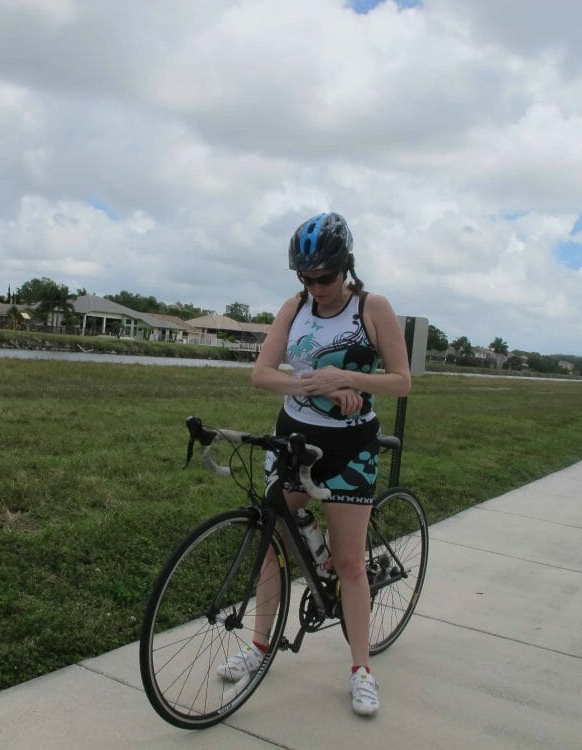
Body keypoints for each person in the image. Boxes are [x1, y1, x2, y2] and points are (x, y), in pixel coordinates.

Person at [216, 212, 411, 716]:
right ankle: (259, 648)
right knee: (273, 548)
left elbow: (401, 380)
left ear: (346, 268)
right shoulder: (295, 306)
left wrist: (352, 383)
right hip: (295, 440)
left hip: (349, 450)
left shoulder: (373, 308)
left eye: (324, 277)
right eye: (305, 277)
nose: (315, 286)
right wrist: (312, 384)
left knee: (348, 563)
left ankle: (361, 668)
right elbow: (262, 374)